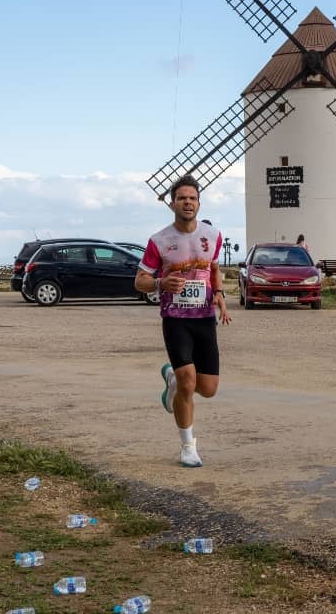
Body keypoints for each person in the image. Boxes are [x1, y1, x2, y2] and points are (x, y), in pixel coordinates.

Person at [135, 175, 231, 468]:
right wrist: (161, 283)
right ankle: (188, 446)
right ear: (172, 203)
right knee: (189, 383)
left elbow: (214, 269)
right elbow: (140, 281)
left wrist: (219, 294)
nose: (187, 203)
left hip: (204, 319)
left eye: (192, 198)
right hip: (175, 319)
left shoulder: (213, 236)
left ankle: (172, 379)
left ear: (199, 203)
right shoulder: (159, 240)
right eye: (181, 198)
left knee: (208, 388)